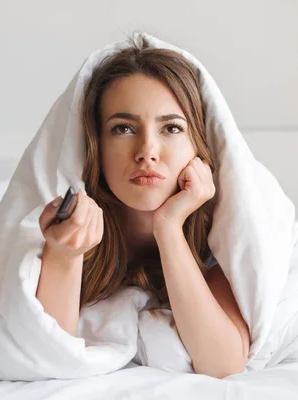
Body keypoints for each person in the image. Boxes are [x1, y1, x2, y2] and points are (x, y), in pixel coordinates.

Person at [35, 37, 250, 378]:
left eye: (171, 128)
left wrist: (168, 227)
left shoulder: (225, 233)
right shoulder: (69, 223)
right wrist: (64, 255)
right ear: (95, 146)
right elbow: (46, 354)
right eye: (123, 128)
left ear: (198, 146)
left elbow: (222, 364)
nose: (147, 151)